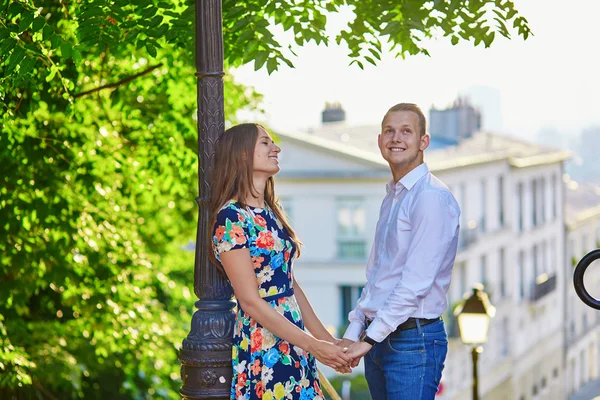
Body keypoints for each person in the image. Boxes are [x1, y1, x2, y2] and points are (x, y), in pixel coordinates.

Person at [209, 123, 352, 400]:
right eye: (265, 143)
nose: (276, 148)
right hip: (265, 342)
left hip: (293, 336)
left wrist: (328, 343)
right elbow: (249, 300)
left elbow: (290, 286)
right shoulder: (231, 218)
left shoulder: (271, 212)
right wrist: (313, 345)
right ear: (241, 155)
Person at [339, 103, 461, 399]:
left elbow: (415, 283)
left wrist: (367, 339)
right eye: (389, 131)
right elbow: (379, 275)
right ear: (380, 140)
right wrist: (353, 333)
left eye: (407, 131)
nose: (396, 138)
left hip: (412, 342)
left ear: (424, 142)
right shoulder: (394, 196)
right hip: (382, 338)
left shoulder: (430, 198)